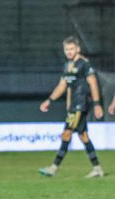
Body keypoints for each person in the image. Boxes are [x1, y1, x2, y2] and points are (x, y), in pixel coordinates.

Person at [38, 36, 104, 178]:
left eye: (71, 49)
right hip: (74, 106)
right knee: (83, 136)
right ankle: (97, 168)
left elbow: (93, 83)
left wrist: (97, 104)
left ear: (78, 49)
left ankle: (53, 168)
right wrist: (49, 100)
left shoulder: (84, 64)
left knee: (66, 134)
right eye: (66, 49)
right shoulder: (67, 66)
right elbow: (62, 86)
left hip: (80, 104)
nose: (69, 51)